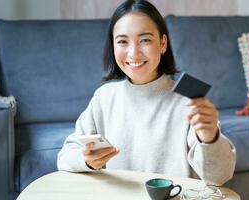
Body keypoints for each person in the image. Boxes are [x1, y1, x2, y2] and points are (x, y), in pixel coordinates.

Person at [57, 0, 235, 186]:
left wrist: (210, 138)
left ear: (163, 43)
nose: (134, 53)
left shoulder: (188, 102)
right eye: (123, 41)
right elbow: (65, 156)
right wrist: (85, 160)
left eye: (145, 40)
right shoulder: (104, 97)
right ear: (113, 45)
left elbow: (219, 177)